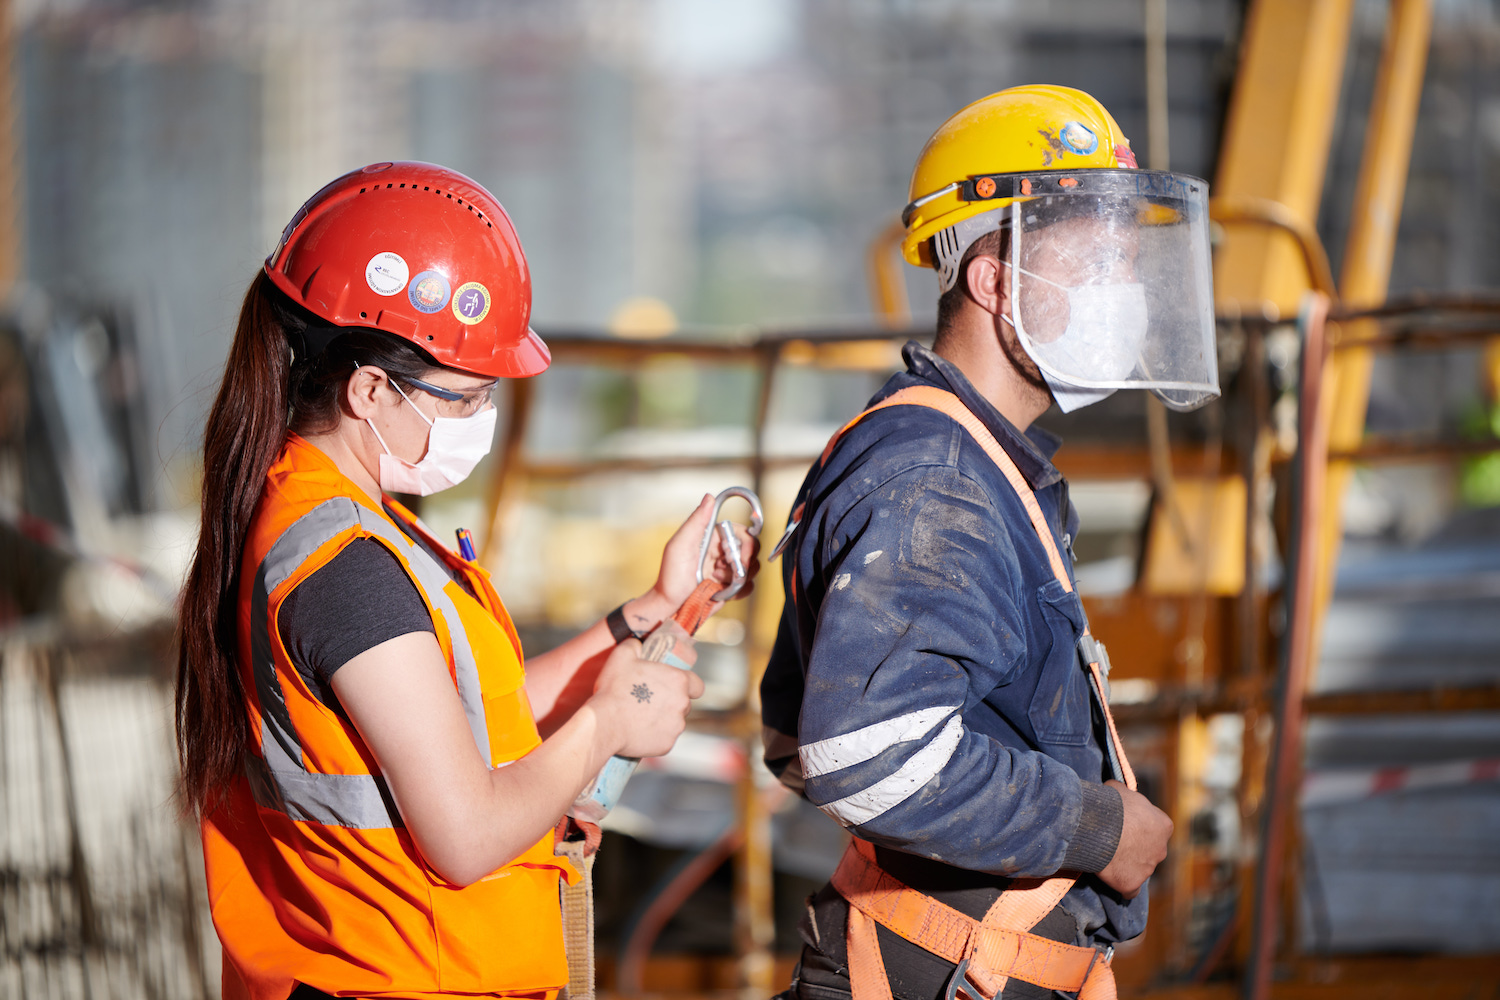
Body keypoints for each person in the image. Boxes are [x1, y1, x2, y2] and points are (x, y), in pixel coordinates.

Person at [174, 161, 758, 1000]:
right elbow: (466, 832)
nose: (479, 423)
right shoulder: (344, 571)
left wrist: (654, 611)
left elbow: (474, 718)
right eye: (464, 399)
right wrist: (605, 726)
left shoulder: (337, 520)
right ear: (371, 390)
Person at [761, 86, 1219, 1000]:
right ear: (993, 278)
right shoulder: (936, 475)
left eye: (1128, 257)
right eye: (1095, 254)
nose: (1121, 287)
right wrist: (1099, 827)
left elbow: (792, 734)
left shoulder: (974, 459)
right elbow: (866, 754)